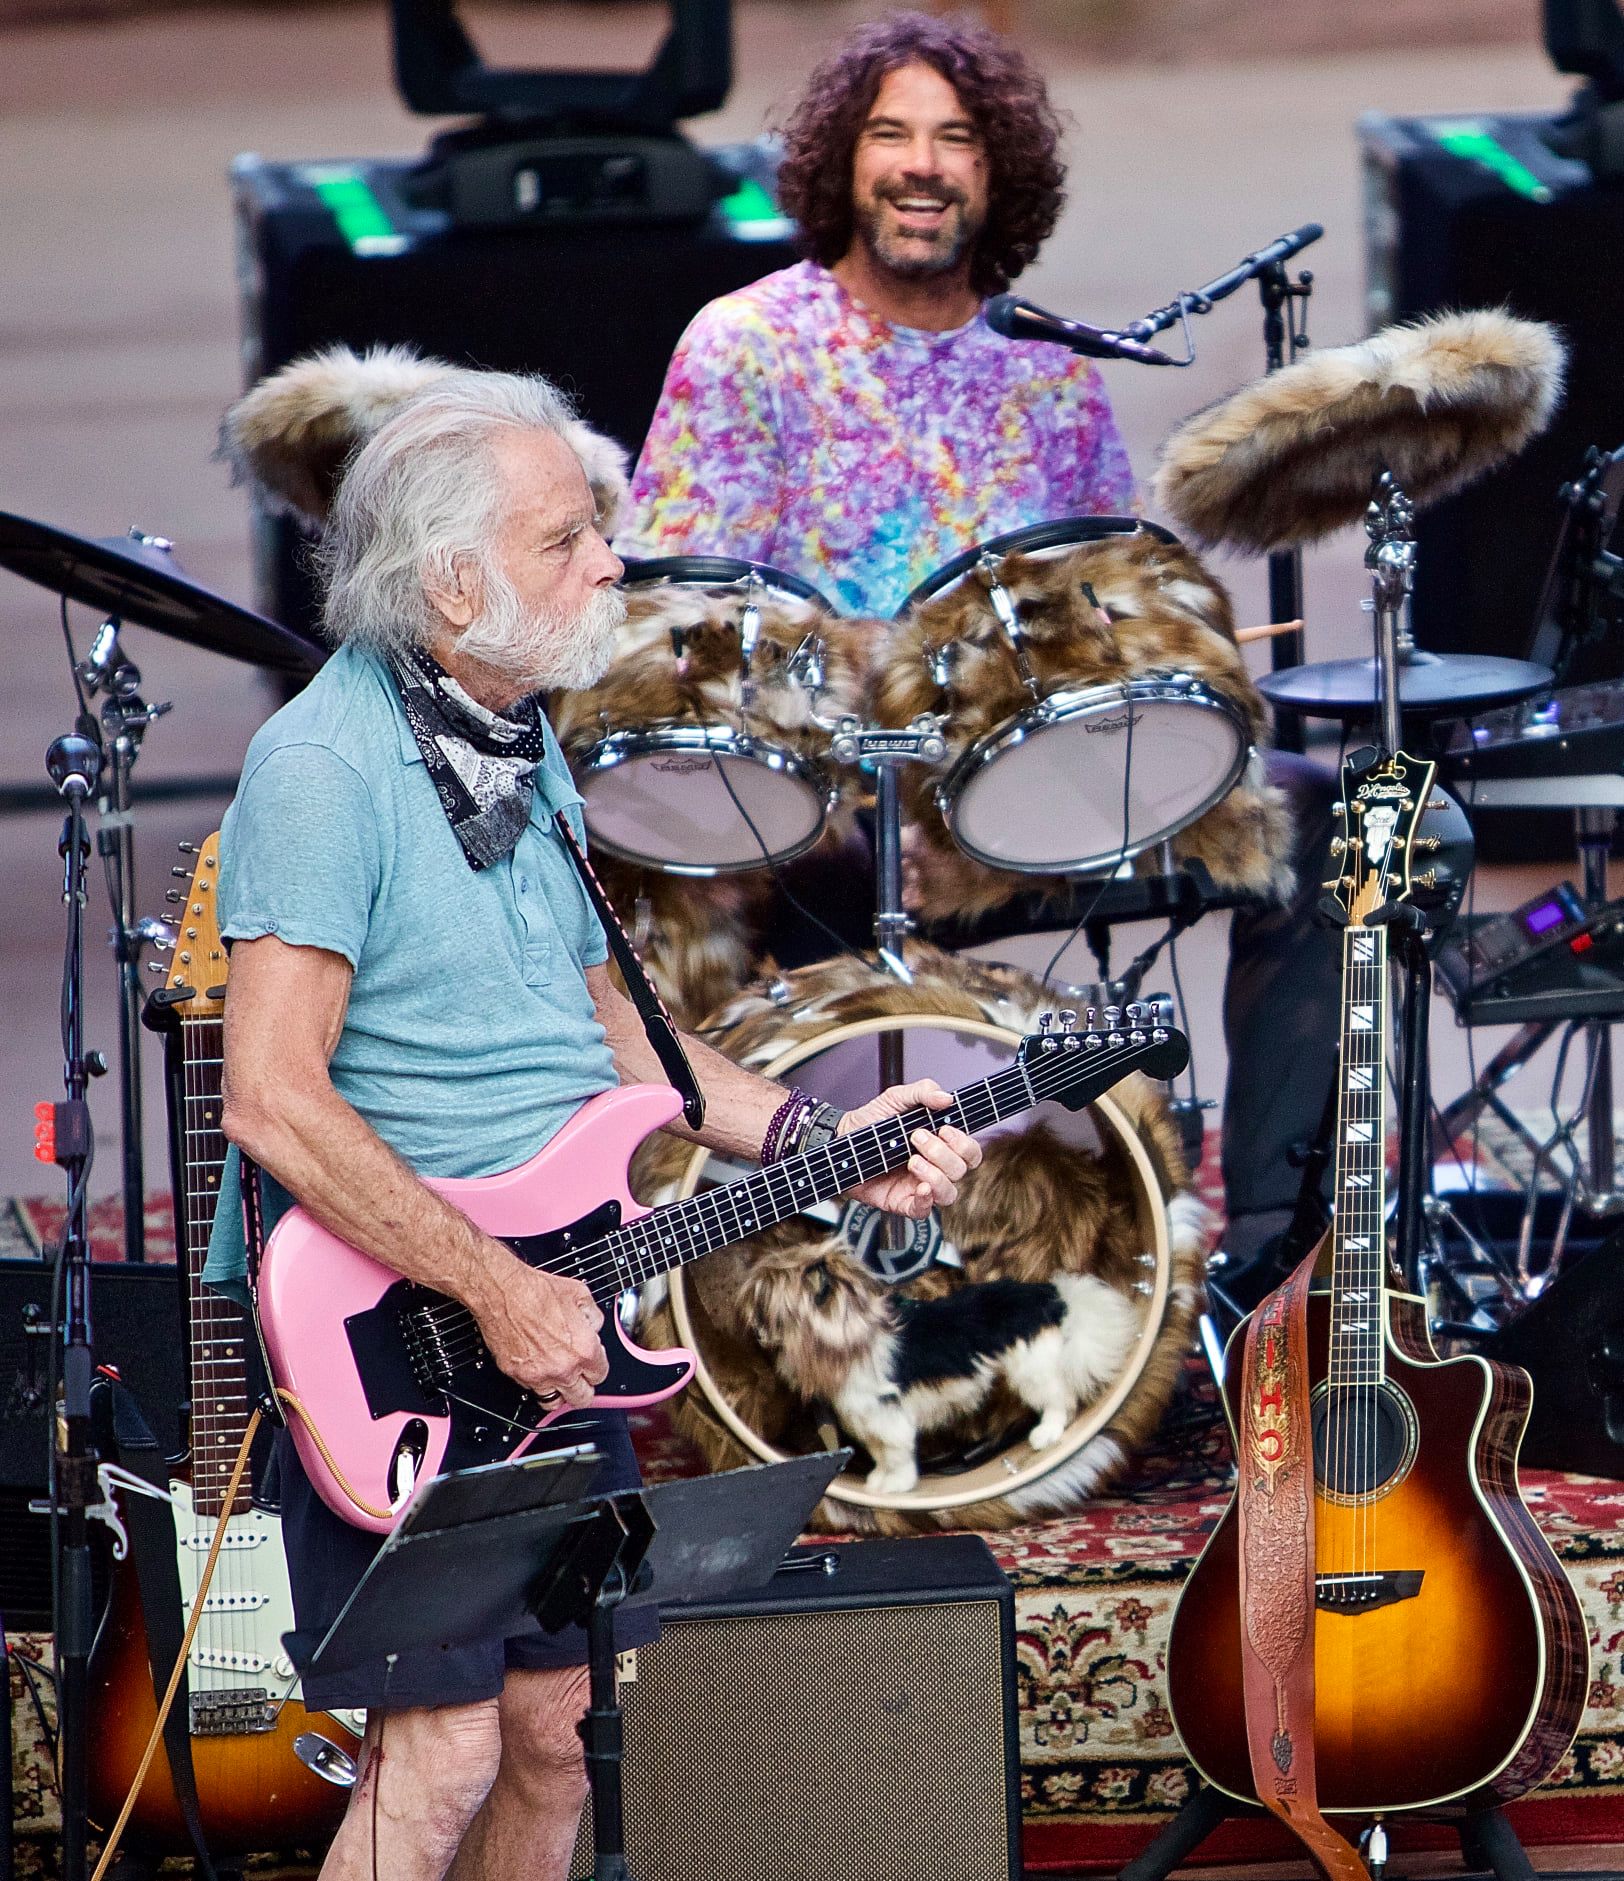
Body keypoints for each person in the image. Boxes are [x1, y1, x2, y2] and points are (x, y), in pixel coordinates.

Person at [203, 369, 980, 1881]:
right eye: (567, 539)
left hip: (554, 1280)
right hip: (403, 1322)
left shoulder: (516, 733)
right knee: (442, 1754)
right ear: (452, 579)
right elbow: (272, 1096)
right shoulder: (320, 768)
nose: (612, 564)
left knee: (559, 1726)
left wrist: (828, 1140)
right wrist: (495, 1290)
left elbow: (620, 1036)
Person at [620, 8, 1338, 1276]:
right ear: (841, 163)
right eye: (889, 133)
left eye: (955, 139)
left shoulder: (1046, 370)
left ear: (996, 172)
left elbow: (1104, 607)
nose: (920, 163)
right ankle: (765, 1260)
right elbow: (674, 621)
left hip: (1031, 795)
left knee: (1318, 816)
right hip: (828, 822)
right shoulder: (745, 348)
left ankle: (1277, 1268)